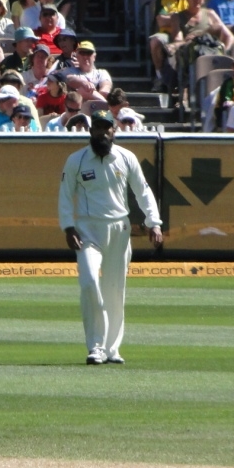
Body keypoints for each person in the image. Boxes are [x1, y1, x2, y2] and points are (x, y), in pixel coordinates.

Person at [59, 109, 163, 365]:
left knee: (115, 290)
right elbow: (64, 195)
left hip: (119, 228)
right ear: (91, 131)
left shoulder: (126, 158)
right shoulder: (77, 160)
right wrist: (68, 227)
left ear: (114, 131)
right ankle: (95, 347)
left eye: (108, 129)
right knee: (89, 282)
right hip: (87, 229)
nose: (103, 133)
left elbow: (143, 191)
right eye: (99, 129)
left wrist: (154, 222)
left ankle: (111, 349)